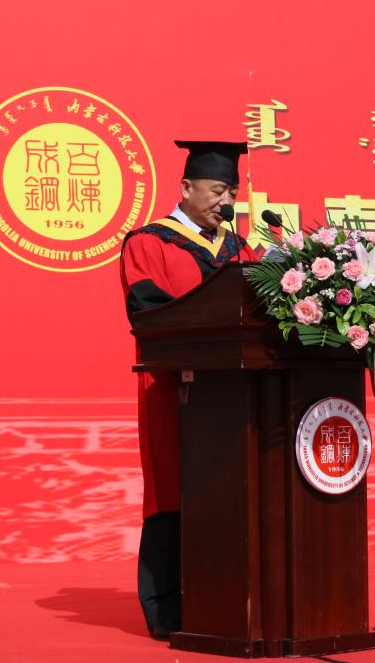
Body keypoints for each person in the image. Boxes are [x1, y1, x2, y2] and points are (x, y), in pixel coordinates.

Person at [119, 140, 257, 640]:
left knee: (231, 490)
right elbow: (148, 311)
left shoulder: (241, 250)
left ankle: (224, 598)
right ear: (186, 187)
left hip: (232, 393)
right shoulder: (148, 243)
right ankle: (168, 609)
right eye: (218, 190)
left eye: (233, 192)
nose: (227, 201)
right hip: (172, 389)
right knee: (173, 489)